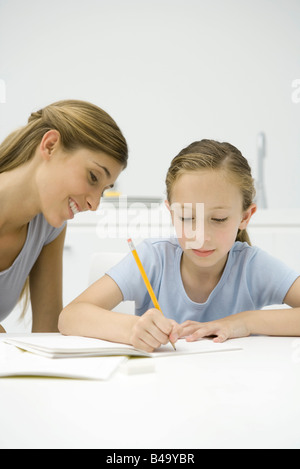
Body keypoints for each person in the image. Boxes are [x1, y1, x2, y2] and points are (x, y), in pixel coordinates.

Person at [58, 139, 300, 351]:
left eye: (218, 219)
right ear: (171, 213)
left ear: (245, 217)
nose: (200, 236)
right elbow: (70, 317)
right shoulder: (153, 259)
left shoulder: (252, 266)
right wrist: (132, 328)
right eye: (186, 218)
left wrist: (245, 322)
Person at [0, 99, 128, 333]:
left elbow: (47, 331)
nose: (94, 204)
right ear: (50, 146)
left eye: (104, 190)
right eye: (92, 177)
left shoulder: (48, 227)